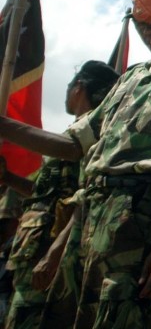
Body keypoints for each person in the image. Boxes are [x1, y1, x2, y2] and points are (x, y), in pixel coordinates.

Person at [0, 0, 151, 328]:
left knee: (120, 317)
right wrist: (5, 125)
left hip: (141, 212)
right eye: (142, 23)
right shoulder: (131, 78)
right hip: (92, 211)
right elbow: (72, 145)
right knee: (65, 318)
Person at [0, 60, 119, 329]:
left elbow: (88, 195)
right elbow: (50, 195)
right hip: (35, 250)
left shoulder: (93, 139)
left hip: (55, 252)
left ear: (79, 88)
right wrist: (8, 179)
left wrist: (54, 255)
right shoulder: (76, 133)